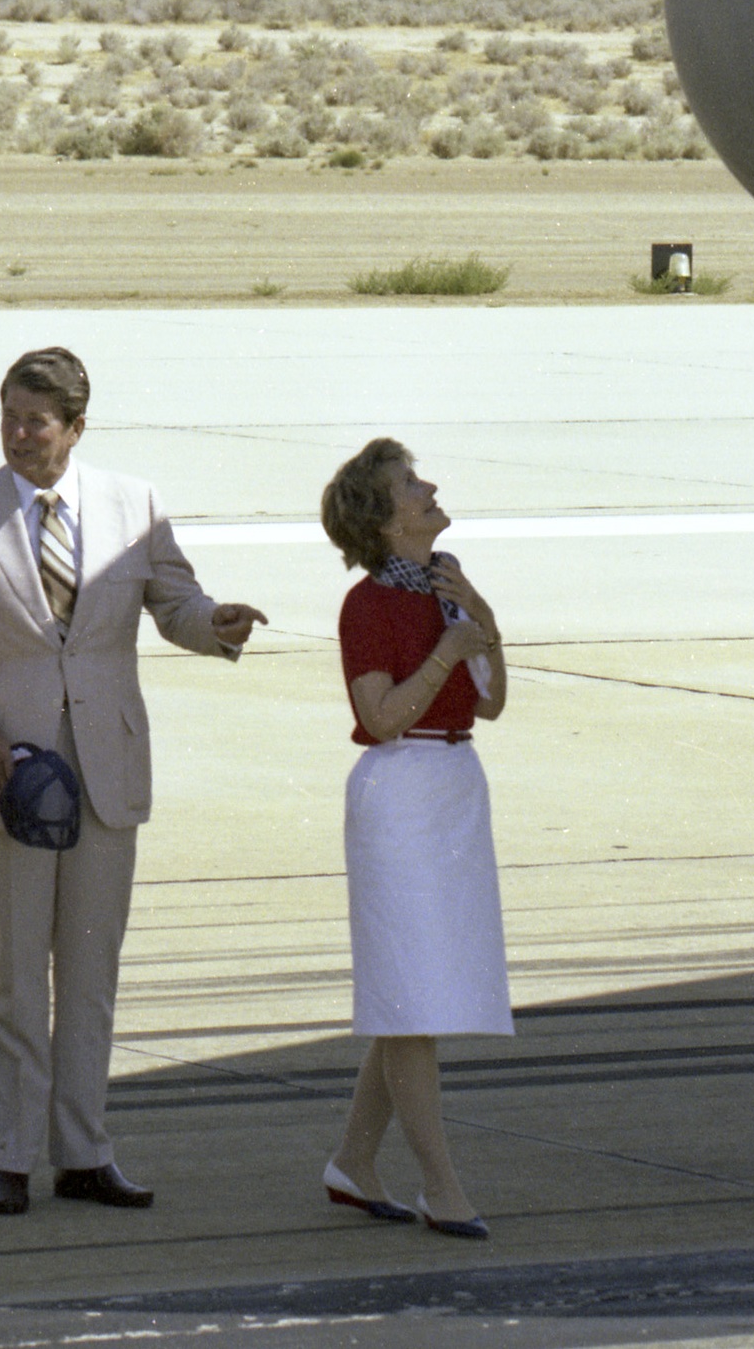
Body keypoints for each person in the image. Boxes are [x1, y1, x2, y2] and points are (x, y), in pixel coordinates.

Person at [0, 345, 265, 1217]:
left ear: (75, 427)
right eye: (9, 415)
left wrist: (212, 622)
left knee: (91, 972)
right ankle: (10, 1152)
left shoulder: (132, 504)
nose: (19, 434)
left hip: (106, 769)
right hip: (15, 774)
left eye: (37, 420)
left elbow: (172, 600)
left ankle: (83, 1149)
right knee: (12, 973)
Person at [319, 438, 511, 1240]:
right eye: (409, 483)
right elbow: (381, 716)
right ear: (383, 515)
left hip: (454, 789)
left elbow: (493, 701)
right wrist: (450, 649)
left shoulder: (447, 584)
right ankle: (442, 1185)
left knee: (414, 998)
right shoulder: (366, 606)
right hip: (398, 793)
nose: (429, 487)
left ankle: (354, 1163)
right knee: (410, 997)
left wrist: (482, 619)